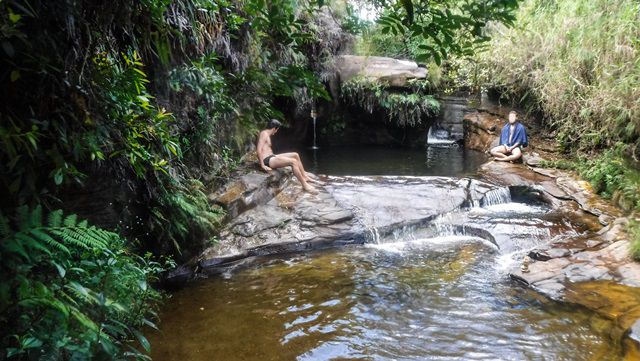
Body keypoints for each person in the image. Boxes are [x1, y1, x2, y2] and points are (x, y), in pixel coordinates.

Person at [257, 119, 318, 193]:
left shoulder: (267, 134)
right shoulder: (264, 134)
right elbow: (259, 149)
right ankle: (304, 184)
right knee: (293, 162)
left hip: (272, 156)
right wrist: (262, 165)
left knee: (295, 155)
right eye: (277, 129)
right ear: (274, 128)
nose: (276, 132)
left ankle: (305, 176)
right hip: (267, 160)